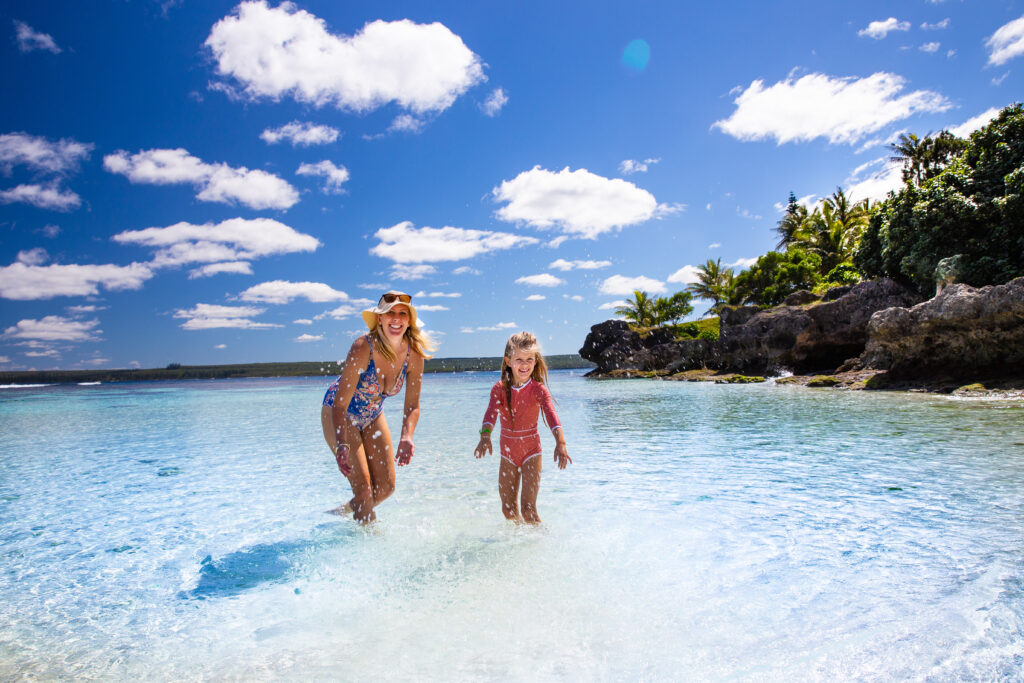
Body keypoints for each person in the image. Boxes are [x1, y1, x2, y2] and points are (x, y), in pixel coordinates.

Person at [321, 291, 432, 523]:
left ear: (409, 320)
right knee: (363, 489)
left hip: (372, 414)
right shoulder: (363, 347)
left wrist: (407, 436)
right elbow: (341, 404)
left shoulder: (414, 354)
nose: (396, 318)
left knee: (386, 488)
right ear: (379, 318)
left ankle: (342, 512)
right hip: (339, 411)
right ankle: (370, 546)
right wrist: (342, 443)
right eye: (390, 312)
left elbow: (412, 405)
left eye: (403, 313)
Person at [473, 331, 571, 524]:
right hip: (507, 453)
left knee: (528, 510)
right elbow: (490, 414)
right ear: (508, 361)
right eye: (519, 359)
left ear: (535, 361)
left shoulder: (538, 390)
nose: (524, 364)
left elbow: (552, 415)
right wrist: (485, 436)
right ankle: (519, 544)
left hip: (531, 452)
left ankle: (541, 543)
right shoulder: (499, 389)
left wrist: (560, 443)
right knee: (508, 510)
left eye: (529, 359)